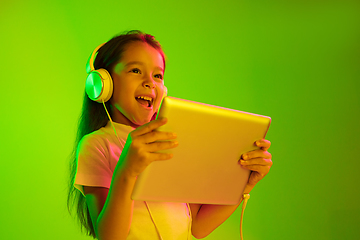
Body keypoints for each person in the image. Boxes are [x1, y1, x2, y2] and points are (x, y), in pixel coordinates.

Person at [67, 30, 273, 240]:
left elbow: (197, 226)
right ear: (103, 83)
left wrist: (245, 182)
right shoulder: (96, 145)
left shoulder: (170, 140)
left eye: (157, 75)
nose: (150, 82)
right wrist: (127, 171)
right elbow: (110, 237)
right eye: (136, 70)